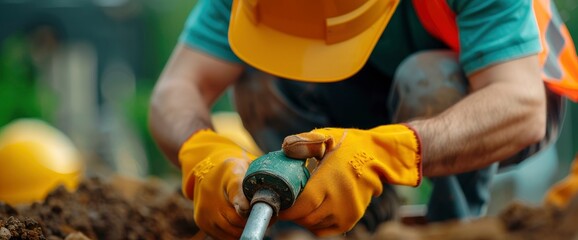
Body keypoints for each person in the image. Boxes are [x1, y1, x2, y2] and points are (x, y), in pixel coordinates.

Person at [149, 0, 578, 239]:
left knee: (428, 79)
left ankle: (451, 225)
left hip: (497, 92)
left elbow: (521, 105)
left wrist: (387, 153)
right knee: (257, 77)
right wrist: (200, 151)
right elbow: (175, 90)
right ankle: (330, 220)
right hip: (363, 94)